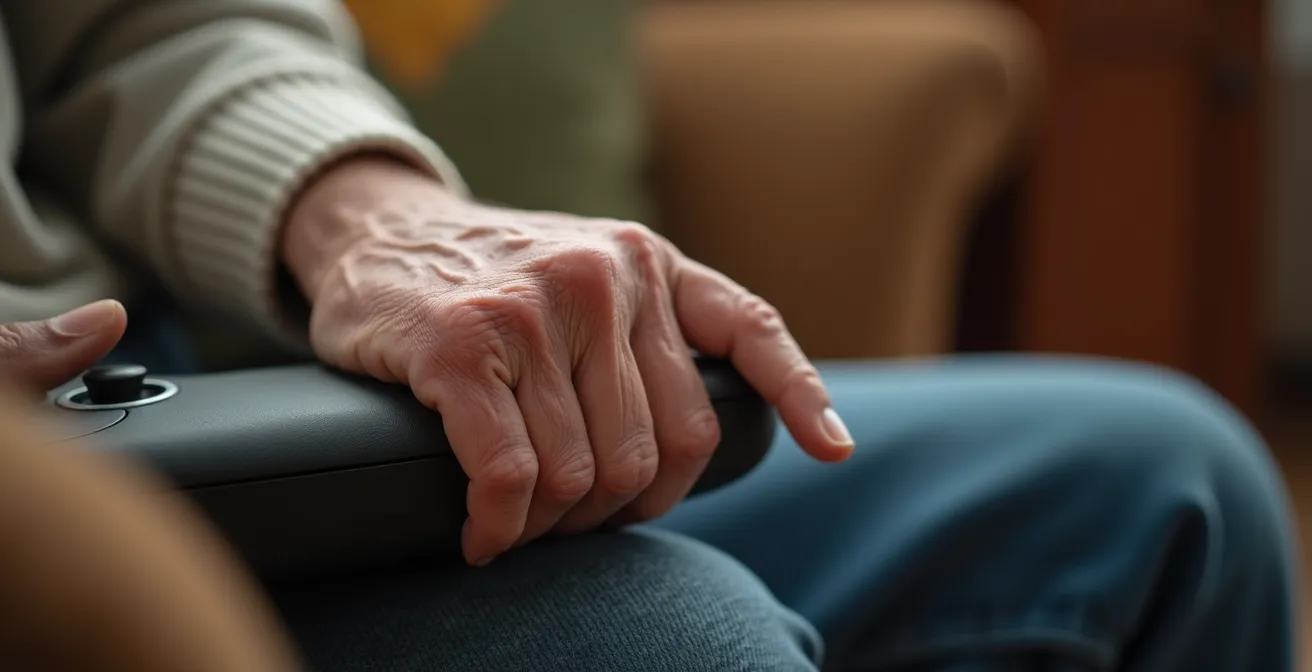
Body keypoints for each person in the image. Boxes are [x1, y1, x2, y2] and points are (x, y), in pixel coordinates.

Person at [0, 1, 1299, 670]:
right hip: (43, 532)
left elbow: (150, 26)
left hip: (169, 385)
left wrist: (367, 215)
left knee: (1169, 485)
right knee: (676, 643)